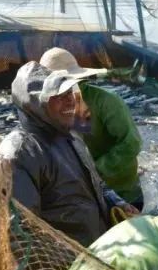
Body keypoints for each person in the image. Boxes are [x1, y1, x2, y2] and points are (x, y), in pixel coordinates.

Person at [0, 62, 138, 247]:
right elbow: (21, 231)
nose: (71, 100)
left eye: (69, 92)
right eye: (58, 96)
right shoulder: (20, 152)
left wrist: (116, 202)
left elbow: (98, 184)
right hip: (65, 265)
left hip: (97, 251)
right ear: (34, 105)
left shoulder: (71, 136)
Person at [39, 47, 145, 211]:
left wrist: (94, 171)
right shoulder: (47, 109)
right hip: (82, 195)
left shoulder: (107, 101)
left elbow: (131, 143)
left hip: (123, 193)